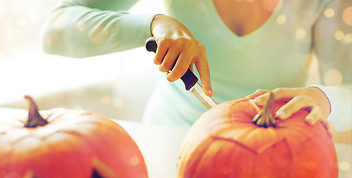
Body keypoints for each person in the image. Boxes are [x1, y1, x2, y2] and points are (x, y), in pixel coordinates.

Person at [41, 0, 351, 133]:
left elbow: (348, 88)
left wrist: (323, 98)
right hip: (171, 139)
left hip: (274, 149)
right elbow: (55, 30)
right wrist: (152, 25)